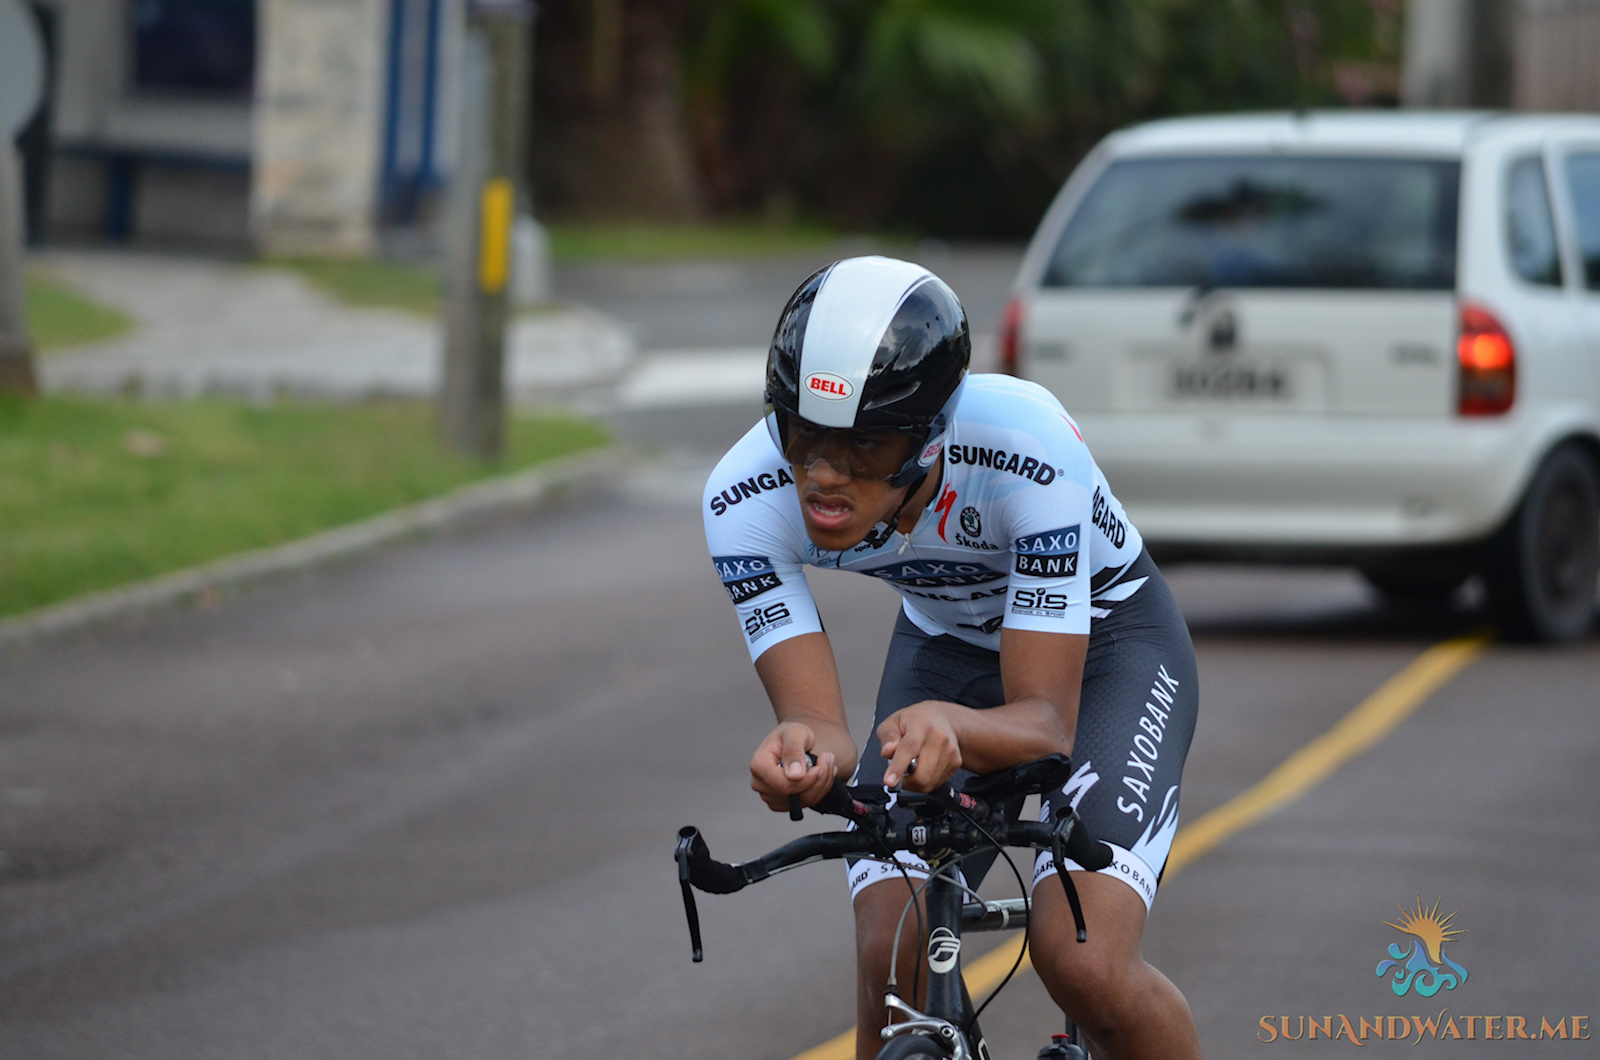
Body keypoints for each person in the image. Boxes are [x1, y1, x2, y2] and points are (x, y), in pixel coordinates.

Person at [702, 256, 1202, 1059]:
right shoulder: (743, 498)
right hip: (943, 646)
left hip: (1109, 646)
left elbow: (1044, 724)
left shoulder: (1026, 445)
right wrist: (800, 753)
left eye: (864, 447)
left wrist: (956, 729)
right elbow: (818, 726)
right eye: (802, 434)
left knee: (1084, 962)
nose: (824, 474)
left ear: (931, 436)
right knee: (888, 956)